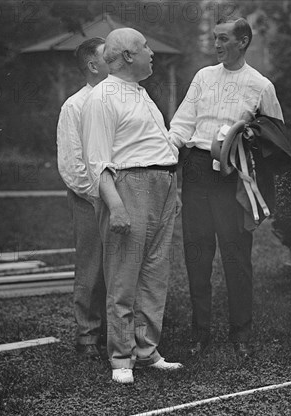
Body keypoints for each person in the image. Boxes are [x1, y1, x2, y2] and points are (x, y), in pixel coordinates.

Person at [169, 17, 284, 358]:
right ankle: (199, 333)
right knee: (198, 253)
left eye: (223, 39)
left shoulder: (260, 86)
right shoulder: (203, 77)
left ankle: (241, 335)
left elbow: (275, 137)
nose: (217, 45)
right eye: (215, 38)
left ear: (243, 41)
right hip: (197, 170)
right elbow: (182, 122)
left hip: (233, 176)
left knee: (236, 255)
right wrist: (162, 154)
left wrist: (251, 136)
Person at [81, 28, 183, 384]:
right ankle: (121, 359)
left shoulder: (141, 93)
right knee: (124, 277)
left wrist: (173, 190)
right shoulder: (102, 98)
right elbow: (97, 161)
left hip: (162, 186)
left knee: (155, 276)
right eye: (144, 47)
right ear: (127, 55)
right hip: (129, 188)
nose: (151, 53)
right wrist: (117, 206)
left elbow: (158, 147)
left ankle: (147, 351)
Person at [56, 37, 108, 358]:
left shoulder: (118, 99)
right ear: (92, 65)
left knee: (119, 265)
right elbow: (72, 165)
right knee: (91, 264)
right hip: (88, 198)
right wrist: (99, 196)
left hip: (119, 195)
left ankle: (112, 332)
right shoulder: (74, 106)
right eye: (108, 56)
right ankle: (87, 335)